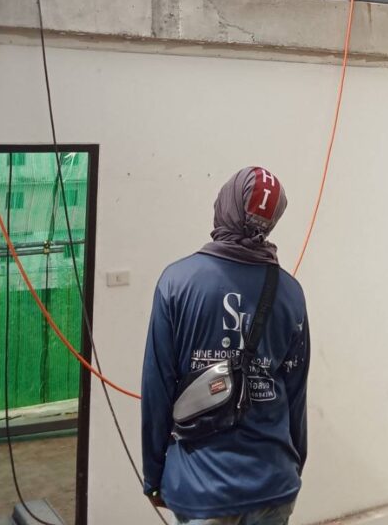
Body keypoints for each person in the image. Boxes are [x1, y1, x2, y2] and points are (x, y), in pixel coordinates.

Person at [142, 166, 309, 525]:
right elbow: (296, 394)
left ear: (226, 206)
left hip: (201, 486)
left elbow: (157, 389)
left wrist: (153, 475)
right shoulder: (291, 293)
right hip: (274, 483)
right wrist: (293, 467)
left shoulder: (177, 282)